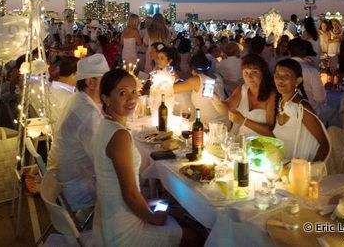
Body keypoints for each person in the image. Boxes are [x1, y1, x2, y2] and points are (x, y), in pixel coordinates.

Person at [93, 68, 184, 246]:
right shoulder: (120, 136)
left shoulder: (104, 125)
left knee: (164, 203)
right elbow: (131, 196)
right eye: (122, 93)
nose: (132, 98)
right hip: (124, 230)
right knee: (194, 237)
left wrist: (148, 202)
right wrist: (154, 219)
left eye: (134, 91)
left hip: (109, 217)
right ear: (106, 99)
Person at [49, 54, 110, 213]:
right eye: (105, 80)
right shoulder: (87, 113)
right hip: (79, 188)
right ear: (91, 82)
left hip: (63, 179)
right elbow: (102, 158)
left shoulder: (77, 98)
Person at [272, 59, 330, 162]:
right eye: (277, 75)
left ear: (297, 81)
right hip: (281, 166)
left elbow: (325, 144)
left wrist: (310, 171)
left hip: (298, 170)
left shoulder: (302, 108)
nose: (280, 80)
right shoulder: (279, 102)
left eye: (286, 76)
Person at [214, 54, 276, 137]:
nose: (249, 76)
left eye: (254, 72)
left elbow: (270, 131)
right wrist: (216, 100)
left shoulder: (271, 95)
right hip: (240, 141)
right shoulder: (242, 89)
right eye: (245, 72)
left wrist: (243, 121)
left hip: (261, 144)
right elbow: (226, 110)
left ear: (263, 73)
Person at [174, 52, 226, 124]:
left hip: (210, 125)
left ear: (192, 69)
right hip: (224, 121)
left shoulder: (196, 80)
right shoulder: (218, 76)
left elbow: (172, 89)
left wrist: (173, 78)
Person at [288, 39, 327, 112]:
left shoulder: (282, 67)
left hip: (287, 111)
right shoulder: (311, 71)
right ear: (305, 52)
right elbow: (320, 98)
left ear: (289, 51)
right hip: (310, 111)